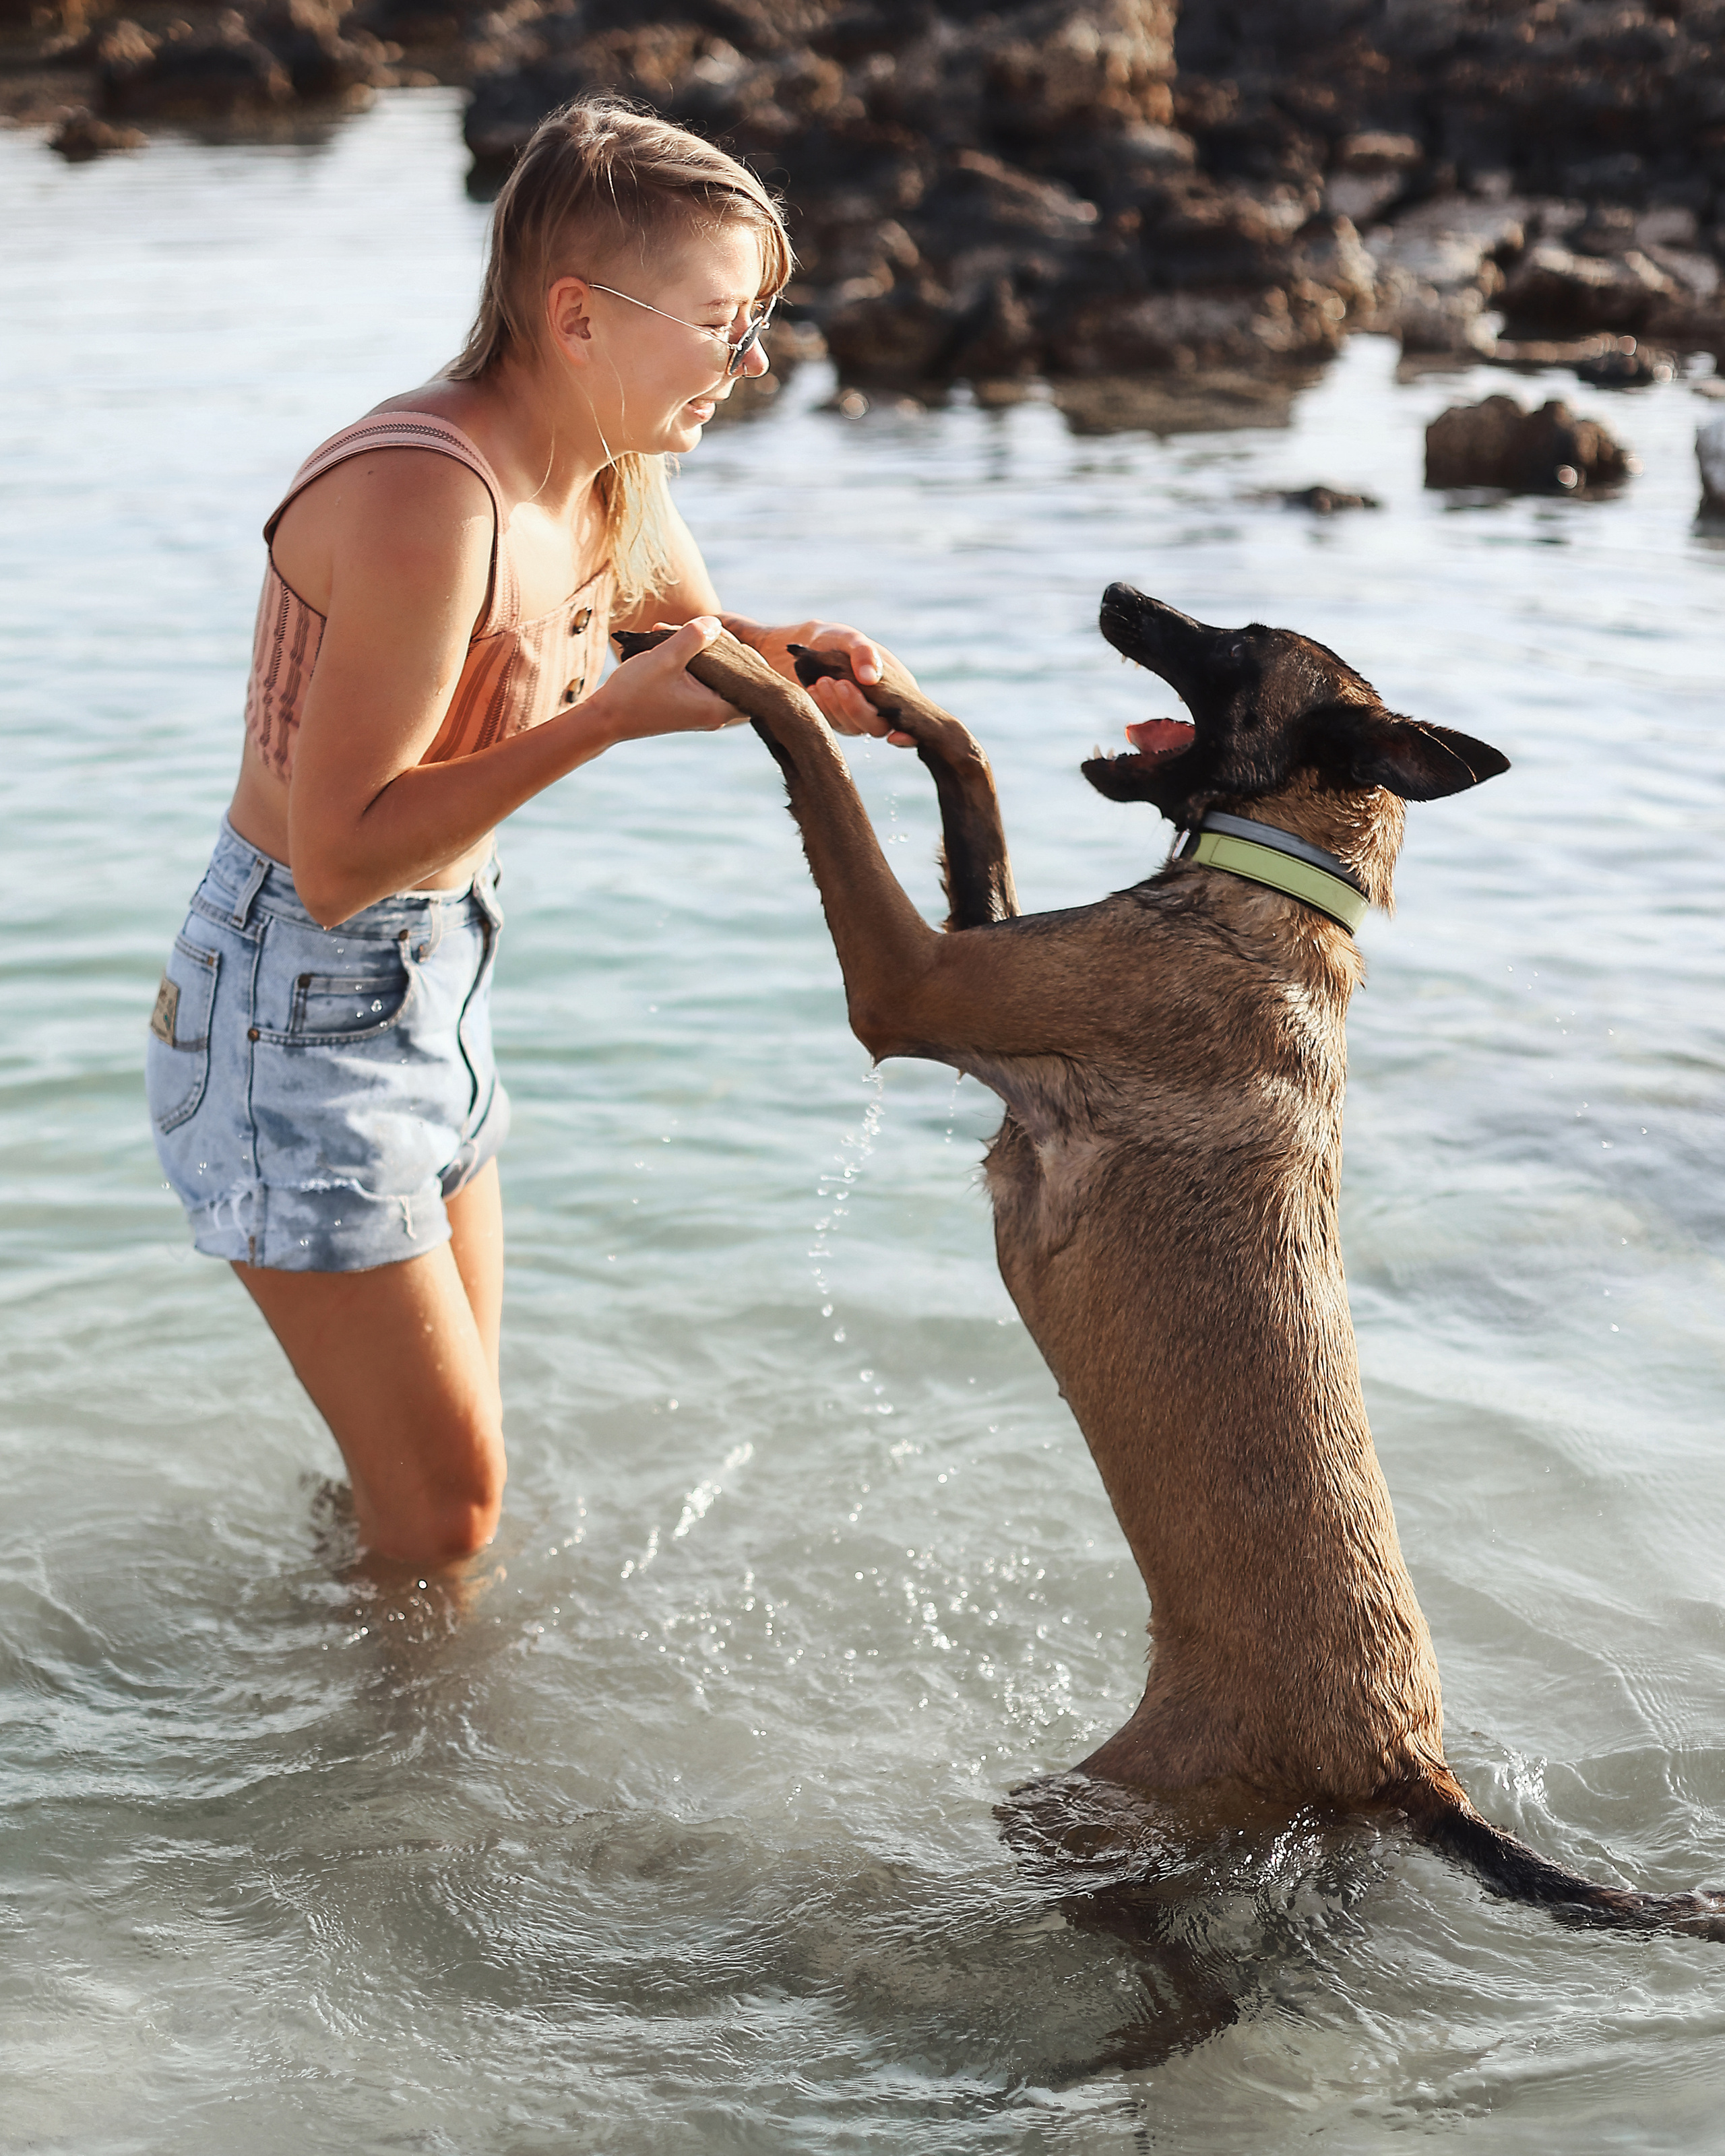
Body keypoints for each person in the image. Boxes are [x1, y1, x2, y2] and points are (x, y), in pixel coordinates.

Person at [146, 96, 907, 1572]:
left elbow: (684, 632)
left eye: (755, 322)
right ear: (577, 314)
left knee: (440, 1479)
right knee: (450, 1514)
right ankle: (366, 1794)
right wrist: (603, 722)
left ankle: (344, 1666)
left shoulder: (611, 462)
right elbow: (339, 853)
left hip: (433, 979)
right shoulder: (432, 497)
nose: (749, 363)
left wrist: (812, 666)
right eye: (719, 321)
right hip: (290, 1004)